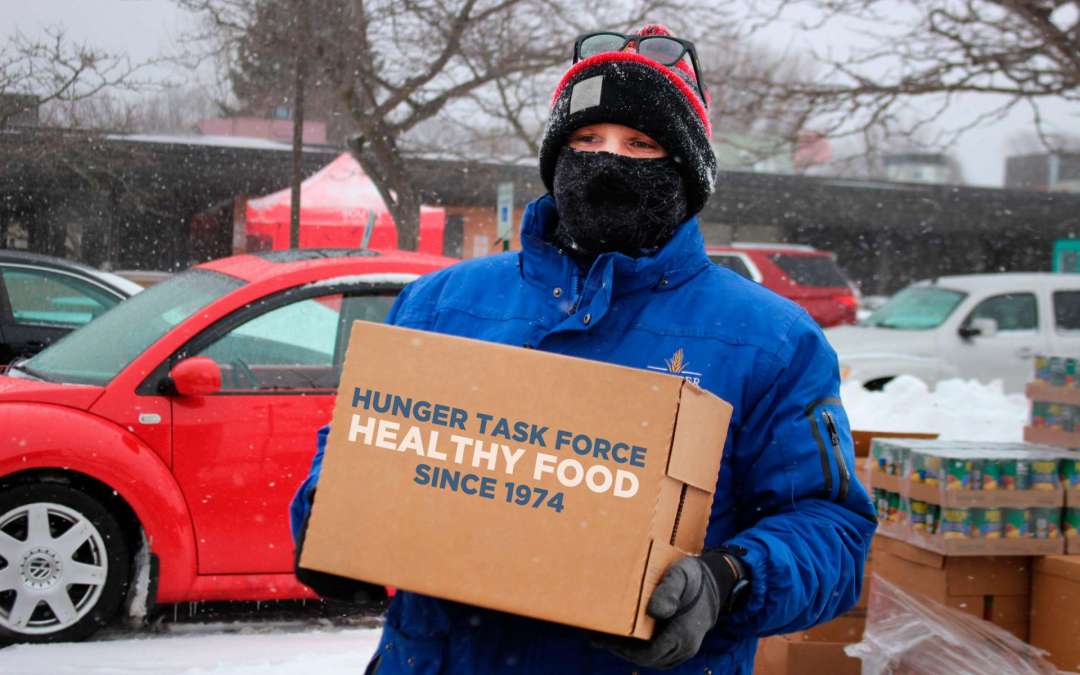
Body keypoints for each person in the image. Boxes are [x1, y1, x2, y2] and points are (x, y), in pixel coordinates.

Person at [291, 23, 876, 674]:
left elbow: (832, 529)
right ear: (556, 158)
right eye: (586, 139)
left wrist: (727, 579)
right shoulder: (442, 304)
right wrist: (326, 520)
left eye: (640, 143)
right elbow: (354, 448)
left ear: (684, 170)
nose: (607, 161)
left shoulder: (771, 339)